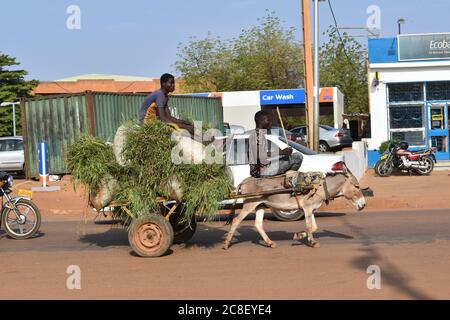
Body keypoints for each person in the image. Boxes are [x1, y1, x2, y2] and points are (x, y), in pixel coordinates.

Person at [248, 110, 303, 178]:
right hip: (262, 171)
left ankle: (287, 177)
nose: (271, 123)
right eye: (268, 120)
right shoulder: (257, 135)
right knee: (297, 157)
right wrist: (281, 152)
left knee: (290, 157)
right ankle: (289, 179)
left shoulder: (258, 134)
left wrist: (280, 153)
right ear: (260, 121)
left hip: (263, 168)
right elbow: (260, 156)